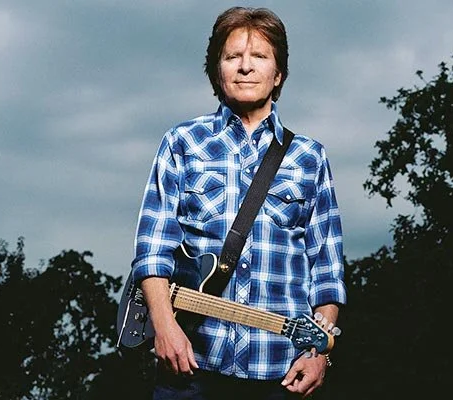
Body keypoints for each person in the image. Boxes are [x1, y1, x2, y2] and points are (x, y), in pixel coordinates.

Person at [131, 6, 347, 399]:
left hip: (280, 374)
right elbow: (152, 250)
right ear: (217, 71)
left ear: (278, 74)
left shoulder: (310, 157)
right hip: (191, 367)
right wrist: (164, 327)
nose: (246, 67)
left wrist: (320, 354)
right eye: (233, 56)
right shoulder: (182, 142)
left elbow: (327, 272)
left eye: (259, 56)